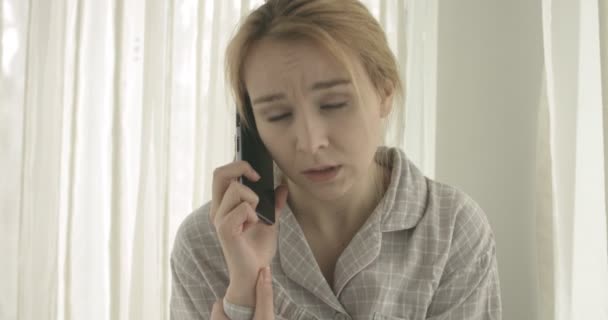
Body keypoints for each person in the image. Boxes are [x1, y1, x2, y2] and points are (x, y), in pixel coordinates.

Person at [170, 0, 502, 319]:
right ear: (251, 127)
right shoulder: (204, 246)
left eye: (334, 104)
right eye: (278, 114)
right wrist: (244, 292)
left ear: (384, 94)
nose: (312, 143)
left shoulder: (452, 230)